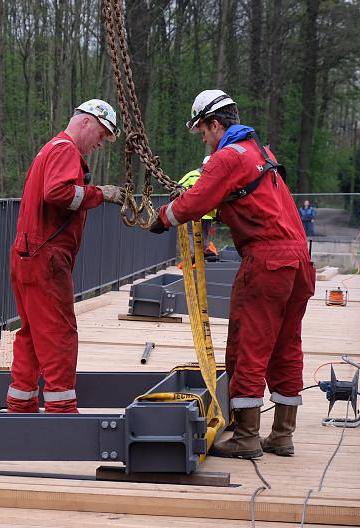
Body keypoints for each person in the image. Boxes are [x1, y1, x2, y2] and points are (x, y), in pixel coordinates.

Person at [147, 89, 316, 458]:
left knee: (248, 346)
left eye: (203, 132)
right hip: (299, 260)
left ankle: (246, 437)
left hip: (267, 261)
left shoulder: (227, 157)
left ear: (215, 123)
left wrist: (161, 219)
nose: (204, 140)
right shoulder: (261, 152)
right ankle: (283, 435)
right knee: (287, 346)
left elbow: (195, 201)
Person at [7, 99, 124, 414]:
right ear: (86, 122)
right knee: (59, 332)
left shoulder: (51, 148)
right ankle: (62, 409)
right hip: (46, 257)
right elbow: (57, 193)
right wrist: (100, 194)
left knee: (32, 332)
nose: (100, 143)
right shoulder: (65, 150)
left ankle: (21, 403)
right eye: (101, 134)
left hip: (28, 254)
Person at [178, 157, 219, 260]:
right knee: (192, 233)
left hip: (207, 214)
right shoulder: (192, 175)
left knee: (204, 235)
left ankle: (201, 256)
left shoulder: (215, 177)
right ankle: (193, 256)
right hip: (193, 212)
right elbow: (178, 187)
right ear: (203, 164)